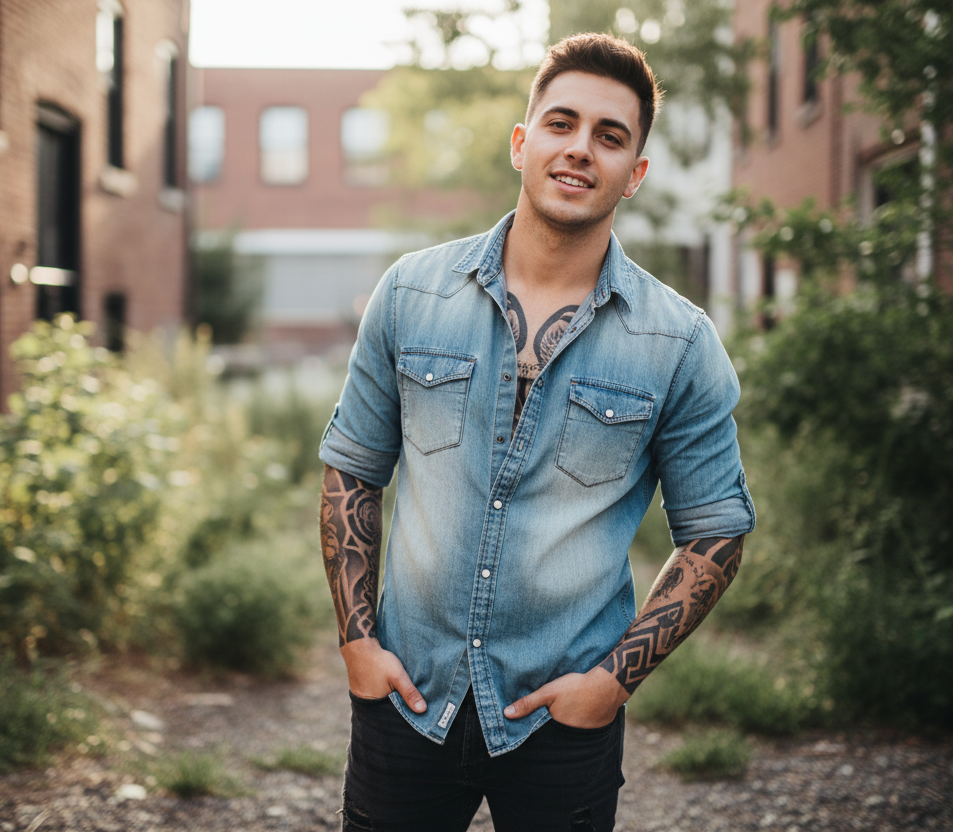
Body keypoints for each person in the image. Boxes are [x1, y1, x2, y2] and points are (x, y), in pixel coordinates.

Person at [318, 32, 755, 832]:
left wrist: (612, 683)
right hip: (405, 700)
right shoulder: (410, 294)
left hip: (563, 724)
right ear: (522, 143)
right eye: (561, 123)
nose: (580, 149)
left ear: (635, 175)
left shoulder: (679, 342)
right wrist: (356, 642)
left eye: (610, 136)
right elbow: (352, 469)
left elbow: (716, 532)